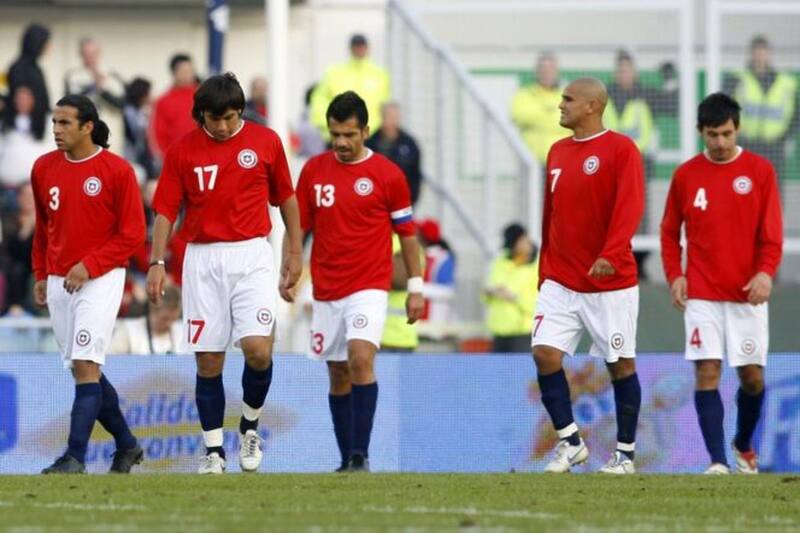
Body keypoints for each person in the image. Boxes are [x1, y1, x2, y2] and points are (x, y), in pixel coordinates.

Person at [146, 73, 303, 475]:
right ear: (201, 114)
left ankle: (250, 425)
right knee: (209, 361)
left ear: (240, 111)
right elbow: (165, 210)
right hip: (202, 259)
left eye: (230, 117)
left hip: (252, 254)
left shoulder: (265, 142)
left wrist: (295, 252)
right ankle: (214, 451)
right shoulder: (182, 150)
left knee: (258, 349)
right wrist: (156, 262)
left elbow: (286, 198)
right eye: (214, 118)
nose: (222, 126)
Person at [294, 91, 423, 472]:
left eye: (349, 134)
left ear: (366, 131)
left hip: (369, 285)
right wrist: (290, 265)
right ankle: (346, 458)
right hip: (326, 286)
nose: (341, 142)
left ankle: (360, 455)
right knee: (337, 371)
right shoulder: (314, 171)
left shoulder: (388, 174)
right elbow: (299, 227)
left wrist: (415, 287)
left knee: (360, 358)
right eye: (335, 134)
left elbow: (407, 235)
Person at [660, 93, 783, 475]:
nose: (720, 142)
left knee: (752, 377)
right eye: (712, 134)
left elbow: (772, 235)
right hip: (702, 293)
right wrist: (675, 275)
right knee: (707, 371)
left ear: (737, 129)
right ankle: (717, 461)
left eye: (727, 134)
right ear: (701, 132)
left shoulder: (760, 171)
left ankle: (743, 444)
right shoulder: (686, 175)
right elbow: (669, 232)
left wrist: (765, 273)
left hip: (747, 294)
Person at [532, 78, 645, 474]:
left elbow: (630, 206)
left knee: (620, 365)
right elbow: (551, 215)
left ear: (592, 106)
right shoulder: (557, 152)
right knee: (544, 354)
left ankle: (625, 455)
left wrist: (611, 253)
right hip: (561, 279)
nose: (560, 105)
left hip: (609, 283)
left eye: (568, 99)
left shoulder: (621, 149)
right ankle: (570, 443)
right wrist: (545, 269)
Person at [31, 94, 146, 474]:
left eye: (65, 123)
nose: (56, 129)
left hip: (102, 278)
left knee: (84, 364)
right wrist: (41, 273)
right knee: (85, 369)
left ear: (87, 127)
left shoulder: (117, 171)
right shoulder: (43, 168)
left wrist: (91, 265)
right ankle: (127, 445)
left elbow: (133, 234)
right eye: (54, 122)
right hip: (58, 280)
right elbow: (44, 229)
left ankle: (74, 457)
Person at [605, 50, 656, 280]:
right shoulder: (605, 96)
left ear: (634, 72)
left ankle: (639, 264)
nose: (624, 74)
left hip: (639, 164)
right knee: (611, 212)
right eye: (621, 70)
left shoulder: (645, 95)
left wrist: (670, 78)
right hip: (611, 165)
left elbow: (674, 103)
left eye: (628, 70)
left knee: (639, 214)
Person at [724, 36, 799, 187]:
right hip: (746, 143)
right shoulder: (737, 79)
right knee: (744, 188)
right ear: (751, 54)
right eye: (756, 52)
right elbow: (724, 108)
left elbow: (796, 114)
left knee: (772, 190)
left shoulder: (787, 83)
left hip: (775, 146)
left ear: (769, 54)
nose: (760, 56)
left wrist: (787, 137)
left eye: (763, 51)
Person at [309, 34, 391, 139]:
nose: (359, 49)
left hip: (371, 135)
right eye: (356, 46)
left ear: (367, 48)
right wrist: (332, 126)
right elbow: (318, 102)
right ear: (351, 49)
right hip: (341, 135)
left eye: (361, 46)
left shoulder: (380, 75)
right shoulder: (334, 73)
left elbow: (386, 106)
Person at [64, 37, 126, 152]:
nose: (90, 58)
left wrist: (102, 90)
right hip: (83, 137)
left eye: (93, 54)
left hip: (110, 137)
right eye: (86, 54)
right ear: (81, 55)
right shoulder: (73, 76)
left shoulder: (112, 75)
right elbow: (69, 105)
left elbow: (121, 104)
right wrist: (92, 86)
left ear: (99, 53)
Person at [484, 223, 538, 353]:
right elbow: (489, 290)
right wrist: (490, 292)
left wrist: (514, 297)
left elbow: (539, 302)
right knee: (497, 366)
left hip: (522, 333)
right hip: (499, 331)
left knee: (521, 366)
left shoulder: (537, 266)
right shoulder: (500, 261)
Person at [510, 51, 570, 163]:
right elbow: (519, 116)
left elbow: (576, 121)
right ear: (537, 71)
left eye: (551, 69)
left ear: (557, 71)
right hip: (532, 162)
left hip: (563, 160)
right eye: (543, 69)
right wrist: (554, 117)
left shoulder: (569, 95)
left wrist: (541, 116)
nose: (547, 73)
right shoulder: (525, 94)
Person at [366, 102, 423, 205]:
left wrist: (412, 199)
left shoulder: (409, 144)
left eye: (395, 117)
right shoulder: (370, 143)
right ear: (382, 117)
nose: (392, 120)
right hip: (375, 200)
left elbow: (415, 174)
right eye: (389, 116)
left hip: (401, 200)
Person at [0, 85, 52, 189]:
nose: (22, 101)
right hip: (9, 186)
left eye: (26, 98)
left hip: (39, 185)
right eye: (19, 98)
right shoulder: (5, 123)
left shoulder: (48, 122)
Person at [149, 54, 198, 161]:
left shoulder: (202, 97)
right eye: (183, 71)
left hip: (201, 156)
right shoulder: (163, 101)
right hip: (175, 159)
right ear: (173, 73)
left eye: (190, 71)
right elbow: (158, 133)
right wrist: (166, 157)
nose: (187, 75)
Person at [110, 284, 182, 354]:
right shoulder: (128, 330)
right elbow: (110, 358)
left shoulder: (182, 331)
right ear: (153, 310)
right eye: (165, 319)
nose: (169, 324)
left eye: (173, 319)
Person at [6, 23, 51, 119]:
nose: (48, 46)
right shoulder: (19, 68)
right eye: (45, 43)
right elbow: (22, 101)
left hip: (39, 121)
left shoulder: (36, 67)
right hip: (25, 123)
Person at [123, 77, 157, 181]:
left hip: (143, 154)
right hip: (133, 156)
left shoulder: (142, 110)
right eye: (148, 94)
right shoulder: (130, 111)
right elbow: (137, 132)